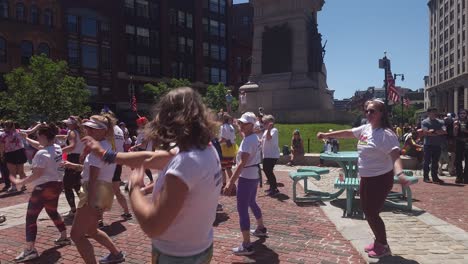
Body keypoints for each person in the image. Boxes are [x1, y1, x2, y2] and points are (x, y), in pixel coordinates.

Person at [84, 87, 221, 263]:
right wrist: (106, 155)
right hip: (200, 247)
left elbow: (152, 226)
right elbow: (151, 157)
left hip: (176, 256)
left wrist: (134, 189)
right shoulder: (204, 147)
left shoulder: (186, 162)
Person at [317, 99, 410, 258]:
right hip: (366, 177)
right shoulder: (366, 128)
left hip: (380, 178)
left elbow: (395, 156)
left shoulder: (386, 134)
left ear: (381, 113)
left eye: (372, 111)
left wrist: (400, 173)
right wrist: (327, 135)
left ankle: (383, 245)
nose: (368, 114)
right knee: (368, 210)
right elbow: (347, 133)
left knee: (372, 212)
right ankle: (378, 241)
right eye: (366, 111)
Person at [65, 115, 125, 264]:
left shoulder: (96, 151)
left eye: (93, 129)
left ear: (103, 131)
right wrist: (74, 166)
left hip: (95, 190)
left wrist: (91, 202)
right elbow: (97, 172)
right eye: (88, 128)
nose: (89, 131)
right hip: (104, 190)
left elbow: (93, 179)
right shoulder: (105, 147)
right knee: (91, 230)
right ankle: (116, 254)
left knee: (76, 235)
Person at [10, 123, 71, 262]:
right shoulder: (56, 147)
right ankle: (63, 236)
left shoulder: (41, 154)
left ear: (43, 136)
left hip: (43, 188)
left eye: (38, 136)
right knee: (52, 211)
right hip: (56, 185)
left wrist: (21, 182)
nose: (38, 139)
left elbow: (37, 174)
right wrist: (27, 139)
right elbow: (41, 146)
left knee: (31, 218)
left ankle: (30, 250)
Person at [224, 112, 266, 256]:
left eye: (243, 123)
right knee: (252, 202)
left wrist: (230, 182)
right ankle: (261, 228)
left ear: (251, 125)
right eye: (240, 123)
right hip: (253, 175)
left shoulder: (249, 140)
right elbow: (247, 139)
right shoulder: (253, 137)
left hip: (246, 176)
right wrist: (238, 126)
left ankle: (247, 245)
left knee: (242, 209)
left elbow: (242, 163)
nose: (240, 125)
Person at [60, 116, 86, 217]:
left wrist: (59, 151)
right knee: (77, 184)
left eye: (68, 123)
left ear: (73, 124)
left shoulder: (72, 132)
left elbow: (72, 146)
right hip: (80, 158)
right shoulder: (82, 132)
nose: (67, 124)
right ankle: (84, 206)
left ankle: (73, 210)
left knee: (67, 185)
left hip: (73, 158)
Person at [421, 108, 447, 184]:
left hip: (437, 145)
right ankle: (426, 177)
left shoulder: (441, 122)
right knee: (427, 161)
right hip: (428, 145)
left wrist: (433, 132)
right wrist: (437, 132)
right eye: (432, 112)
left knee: (435, 162)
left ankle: (435, 177)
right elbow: (425, 133)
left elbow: (444, 131)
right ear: (428, 113)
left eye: (435, 112)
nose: (434, 114)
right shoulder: (425, 122)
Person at [130, 117, 154, 184]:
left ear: (143, 124)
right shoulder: (143, 131)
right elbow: (139, 141)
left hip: (144, 151)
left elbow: (143, 144)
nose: (138, 124)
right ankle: (144, 182)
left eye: (139, 123)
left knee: (140, 167)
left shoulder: (146, 132)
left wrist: (134, 147)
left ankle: (143, 182)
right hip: (141, 151)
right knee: (142, 167)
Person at [261, 115, 280, 196]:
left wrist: (268, 129)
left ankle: (274, 188)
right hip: (267, 155)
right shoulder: (266, 131)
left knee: (268, 170)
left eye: (265, 122)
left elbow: (269, 138)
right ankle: (272, 187)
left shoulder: (274, 130)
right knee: (266, 170)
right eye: (263, 122)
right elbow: (262, 140)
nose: (263, 124)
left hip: (272, 155)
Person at [219, 113, 237, 185]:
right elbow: (234, 138)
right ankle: (232, 184)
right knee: (228, 168)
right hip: (231, 149)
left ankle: (224, 184)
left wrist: (216, 143)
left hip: (225, 149)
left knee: (223, 169)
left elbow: (223, 139)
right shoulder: (231, 127)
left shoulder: (223, 127)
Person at [454, 109, 468, 184]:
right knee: (458, 160)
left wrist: (465, 130)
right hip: (459, 142)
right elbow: (454, 134)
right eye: (461, 113)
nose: (462, 114)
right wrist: (455, 129)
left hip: (467, 141)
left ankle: (466, 177)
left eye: (464, 113)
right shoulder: (456, 122)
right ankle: (459, 177)